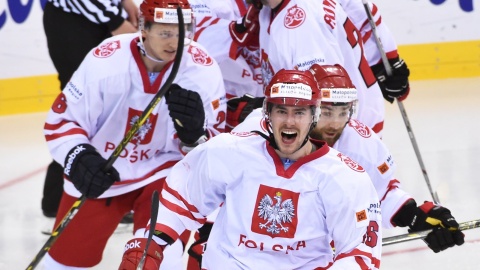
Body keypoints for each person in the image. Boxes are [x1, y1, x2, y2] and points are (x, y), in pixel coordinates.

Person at [119, 68, 382, 269]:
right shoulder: (230, 151)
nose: (289, 121)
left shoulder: (345, 177)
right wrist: (147, 244)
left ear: (313, 115)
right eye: (281, 110)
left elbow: (361, 252)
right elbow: (181, 199)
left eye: (299, 112)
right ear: (267, 112)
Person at [42, 0, 226, 268]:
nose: (175, 42)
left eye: (182, 31)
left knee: (154, 263)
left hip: (164, 175)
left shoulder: (202, 70)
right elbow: (62, 121)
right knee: (62, 264)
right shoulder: (105, 61)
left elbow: (214, 147)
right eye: (165, 32)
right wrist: (78, 157)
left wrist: (194, 136)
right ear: (143, 29)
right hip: (104, 169)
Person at [233, 64, 465, 254]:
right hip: (256, 248)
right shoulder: (263, 130)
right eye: (326, 113)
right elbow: (225, 179)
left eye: (343, 112)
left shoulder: (361, 145)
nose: (335, 123)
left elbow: (379, 194)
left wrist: (416, 215)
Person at [41, 0, 139, 234]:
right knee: (81, 110)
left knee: (105, 108)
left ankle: (89, 198)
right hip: (76, 22)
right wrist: (114, 20)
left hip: (97, 19)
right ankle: (58, 205)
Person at [254, 0, 385, 135]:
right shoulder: (272, 11)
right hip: (347, 125)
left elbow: (325, 102)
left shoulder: (301, 25)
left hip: (341, 134)